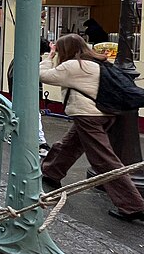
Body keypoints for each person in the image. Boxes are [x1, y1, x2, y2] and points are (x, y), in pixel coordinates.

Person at [40, 34, 144, 221]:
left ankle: (133, 205)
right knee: (70, 144)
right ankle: (51, 172)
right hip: (102, 113)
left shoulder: (74, 65)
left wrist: (49, 56)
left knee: (104, 160)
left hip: (87, 116)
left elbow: (43, 76)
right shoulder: (96, 62)